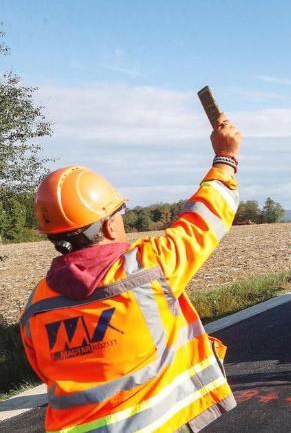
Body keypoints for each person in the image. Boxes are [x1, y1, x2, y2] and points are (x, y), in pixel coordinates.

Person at [19, 114, 242, 432]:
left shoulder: (36, 306)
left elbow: (46, 371)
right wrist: (225, 157)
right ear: (108, 223)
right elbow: (207, 217)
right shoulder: (148, 268)